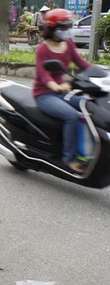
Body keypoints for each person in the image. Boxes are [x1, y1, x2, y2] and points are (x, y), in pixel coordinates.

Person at [32, 9, 92, 174]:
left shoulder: (69, 45)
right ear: (53, 29)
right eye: (64, 27)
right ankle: (68, 159)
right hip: (45, 94)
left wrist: (102, 75)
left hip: (64, 92)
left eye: (69, 26)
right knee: (71, 116)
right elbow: (43, 75)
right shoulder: (43, 49)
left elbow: (83, 65)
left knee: (90, 107)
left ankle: (87, 152)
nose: (68, 30)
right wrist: (56, 86)